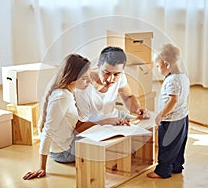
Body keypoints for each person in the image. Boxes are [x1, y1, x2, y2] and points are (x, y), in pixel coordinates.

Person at [23, 54, 92, 180]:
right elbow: (47, 131)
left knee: (99, 125)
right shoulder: (62, 97)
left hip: (67, 143)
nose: (89, 81)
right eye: (84, 78)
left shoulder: (69, 92)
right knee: (100, 139)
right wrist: (42, 167)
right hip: (63, 153)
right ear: (72, 79)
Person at [75, 46, 149, 125]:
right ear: (98, 65)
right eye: (106, 72)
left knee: (148, 124)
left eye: (116, 74)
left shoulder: (121, 76)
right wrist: (106, 122)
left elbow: (128, 97)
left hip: (115, 119)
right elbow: (80, 126)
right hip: (94, 126)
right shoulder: (83, 86)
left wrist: (137, 109)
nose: (110, 79)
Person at [147, 43, 190, 179]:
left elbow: (173, 101)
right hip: (182, 118)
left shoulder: (172, 80)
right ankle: (177, 167)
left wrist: (161, 114)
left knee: (167, 147)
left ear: (166, 64)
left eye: (158, 66)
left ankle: (163, 171)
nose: (158, 69)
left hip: (171, 121)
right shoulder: (183, 76)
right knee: (178, 145)